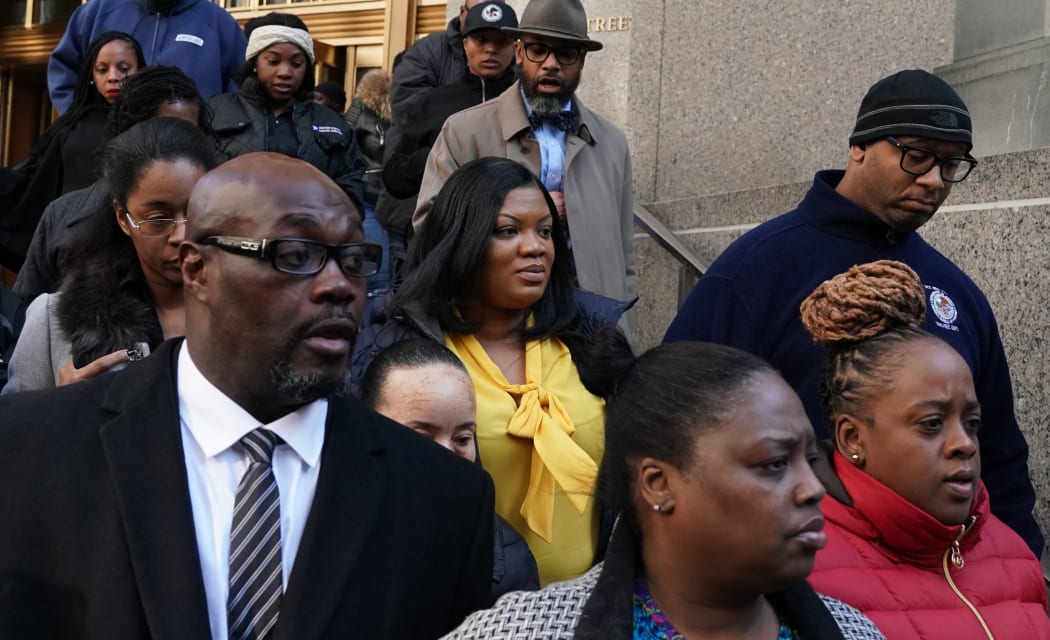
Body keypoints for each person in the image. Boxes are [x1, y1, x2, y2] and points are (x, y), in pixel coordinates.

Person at [0, 152, 494, 638]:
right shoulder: (28, 450)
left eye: (354, 260)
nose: (338, 286)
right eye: (296, 255)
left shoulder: (443, 496)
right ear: (197, 269)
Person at [663, 69, 1043, 557]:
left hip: (945, 578)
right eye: (916, 155)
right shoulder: (755, 269)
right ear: (859, 148)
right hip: (796, 569)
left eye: (950, 164)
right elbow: (673, 420)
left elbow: (1002, 456)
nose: (933, 180)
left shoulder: (957, 292)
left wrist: (1023, 568)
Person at [443, 341, 886, 639]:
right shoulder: (522, 631)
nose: (812, 490)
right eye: (773, 464)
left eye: (810, 460)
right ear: (659, 483)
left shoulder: (857, 631)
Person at [352, 156, 632, 586]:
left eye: (544, 230)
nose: (535, 247)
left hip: (589, 606)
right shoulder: (406, 352)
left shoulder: (589, 340)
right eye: (508, 231)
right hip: (466, 610)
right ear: (461, 240)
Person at [799, 260, 1050, 638]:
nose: (963, 444)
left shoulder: (1012, 552)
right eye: (932, 424)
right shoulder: (796, 574)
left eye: (972, 424)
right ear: (853, 438)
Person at [415, 0, 636, 336]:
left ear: (582, 60)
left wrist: (625, 332)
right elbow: (430, 225)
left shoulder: (612, 143)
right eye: (538, 50)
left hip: (592, 332)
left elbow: (625, 257)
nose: (550, 64)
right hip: (495, 330)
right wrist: (526, 215)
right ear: (518, 53)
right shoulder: (464, 131)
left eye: (566, 53)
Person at [3, 117, 217, 394]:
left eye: (194, 212)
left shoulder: (251, 310)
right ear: (123, 218)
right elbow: (16, 428)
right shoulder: (52, 320)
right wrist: (60, 406)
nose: (181, 236)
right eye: (158, 219)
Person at [360, 338, 540, 603]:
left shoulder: (508, 560)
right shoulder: (321, 533)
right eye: (421, 436)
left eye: (462, 439)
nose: (446, 457)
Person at [13, 65, 212, 302]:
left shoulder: (222, 220)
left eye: (185, 132)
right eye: (157, 130)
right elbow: (24, 312)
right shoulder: (63, 216)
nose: (172, 144)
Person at [0, 31, 145, 271]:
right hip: (70, 248)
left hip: (129, 250)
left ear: (139, 70)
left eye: (124, 68)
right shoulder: (70, 125)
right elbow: (33, 181)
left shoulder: (149, 124)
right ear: (90, 75)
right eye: (102, 69)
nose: (113, 77)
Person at [209, 12, 366, 211]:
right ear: (255, 63)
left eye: (296, 64)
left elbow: (351, 189)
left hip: (307, 238)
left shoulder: (334, 124)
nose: (285, 72)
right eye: (273, 62)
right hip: (228, 234)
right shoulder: (215, 112)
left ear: (307, 68)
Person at [383, 1, 518, 206]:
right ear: (465, 44)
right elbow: (395, 178)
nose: (490, 49)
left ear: (516, 47)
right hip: (444, 230)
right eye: (481, 39)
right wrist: (440, 156)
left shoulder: (528, 103)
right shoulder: (432, 103)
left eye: (501, 41)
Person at [47, 0, 245, 115]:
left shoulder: (219, 23)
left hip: (188, 158)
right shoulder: (97, 11)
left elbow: (239, 91)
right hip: (103, 156)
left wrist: (210, 135)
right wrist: (84, 122)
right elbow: (64, 71)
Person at [389, 0, 496, 118]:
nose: (487, 20)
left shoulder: (510, 55)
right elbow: (407, 106)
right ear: (462, 12)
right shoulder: (427, 50)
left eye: (494, 12)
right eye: (478, 12)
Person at [345, 69, 393, 293]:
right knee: (377, 278)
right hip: (368, 198)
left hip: (398, 203)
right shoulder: (362, 108)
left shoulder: (408, 111)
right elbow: (345, 142)